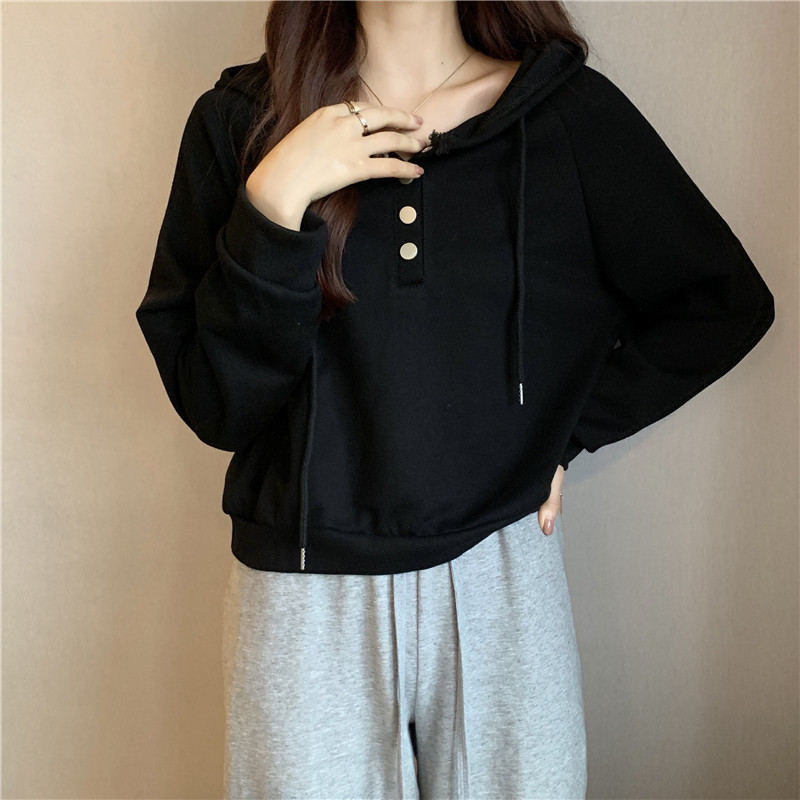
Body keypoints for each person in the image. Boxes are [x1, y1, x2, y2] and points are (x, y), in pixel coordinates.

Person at [135, 1, 776, 797]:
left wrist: (567, 435)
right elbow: (216, 404)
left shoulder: (565, 116)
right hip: (302, 596)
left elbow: (720, 302)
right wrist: (274, 200)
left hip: (500, 572)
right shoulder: (240, 124)